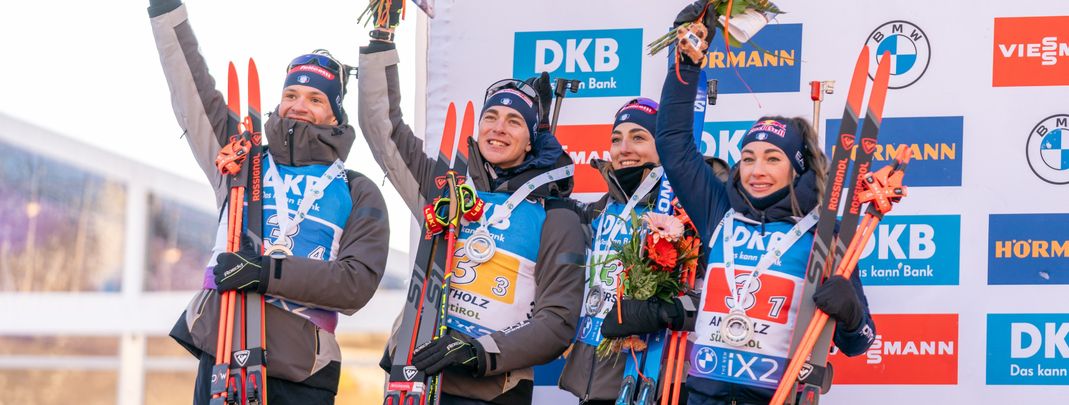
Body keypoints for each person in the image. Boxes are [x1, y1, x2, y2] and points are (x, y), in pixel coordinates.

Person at [602, 3, 877, 404]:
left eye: (772, 159)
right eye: (748, 158)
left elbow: (859, 342)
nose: (756, 170)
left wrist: (850, 314)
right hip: (700, 396)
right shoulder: (720, 211)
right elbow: (674, 145)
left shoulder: (824, 234)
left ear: (795, 170)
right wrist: (685, 64)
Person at [147, 1, 391, 403]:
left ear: (334, 116)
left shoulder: (357, 189)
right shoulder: (242, 158)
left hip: (302, 368)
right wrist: (166, 9)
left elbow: (355, 285)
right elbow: (192, 87)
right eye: (291, 93)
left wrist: (266, 273)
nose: (299, 105)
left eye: (316, 99)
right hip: (224, 347)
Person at [358, 23, 586, 405]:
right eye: (490, 117)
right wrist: (380, 42)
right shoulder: (445, 188)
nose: (498, 128)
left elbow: (557, 323)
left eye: (514, 121)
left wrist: (478, 352)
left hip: (495, 389)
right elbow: (384, 130)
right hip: (416, 376)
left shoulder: (556, 215)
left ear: (532, 138)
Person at [557, 98, 727, 404]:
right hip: (594, 383)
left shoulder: (689, 213)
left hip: (658, 381)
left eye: (638, 137)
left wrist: (665, 310)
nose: (625, 149)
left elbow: (721, 297)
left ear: (663, 145)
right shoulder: (598, 210)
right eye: (616, 139)